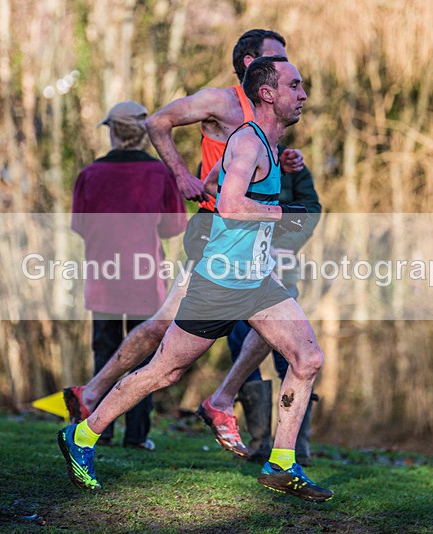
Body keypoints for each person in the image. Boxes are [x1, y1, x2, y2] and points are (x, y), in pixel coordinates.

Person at [58, 57, 334, 502]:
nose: (303, 95)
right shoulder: (249, 143)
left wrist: (231, 190)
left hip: (257, 281)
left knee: (308, 359)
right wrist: (283, 212)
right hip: (221, 284)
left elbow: (213, 183)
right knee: (163, 372)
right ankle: (82, 437)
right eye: (295, 86)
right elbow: (228, 205)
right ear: (268, 93)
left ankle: (283, 464)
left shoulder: (262, 141)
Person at [69, 101, 187, 450]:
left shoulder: (90, 174)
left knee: (105, 351)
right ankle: (137, 436)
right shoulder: (160, 174)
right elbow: (173, 226)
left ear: (112, 131)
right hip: (145, 278)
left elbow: (80, 226)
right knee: (145, 356)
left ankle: (100, 431)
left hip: (103, 276)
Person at [215, 155, 321, 466]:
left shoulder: (290, 162)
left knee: (291, 351)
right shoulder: (227, 159)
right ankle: (259, 442)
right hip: (236, 266)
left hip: (281, 265)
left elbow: (310, 209)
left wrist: (282, 244)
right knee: (240, 342)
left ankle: (297, 446)